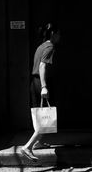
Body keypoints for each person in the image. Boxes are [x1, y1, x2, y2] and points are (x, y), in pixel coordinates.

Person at [21, 22, 61, 161]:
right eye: (58, 34)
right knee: (45, 117)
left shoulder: (41, 46)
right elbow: (42, 66)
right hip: (41, 83)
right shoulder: (50, 46)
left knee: (41, 114)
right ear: (53, 34)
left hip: (34, 82)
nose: (59, 36)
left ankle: (39, 142)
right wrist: (44, 86)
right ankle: (28, 146)